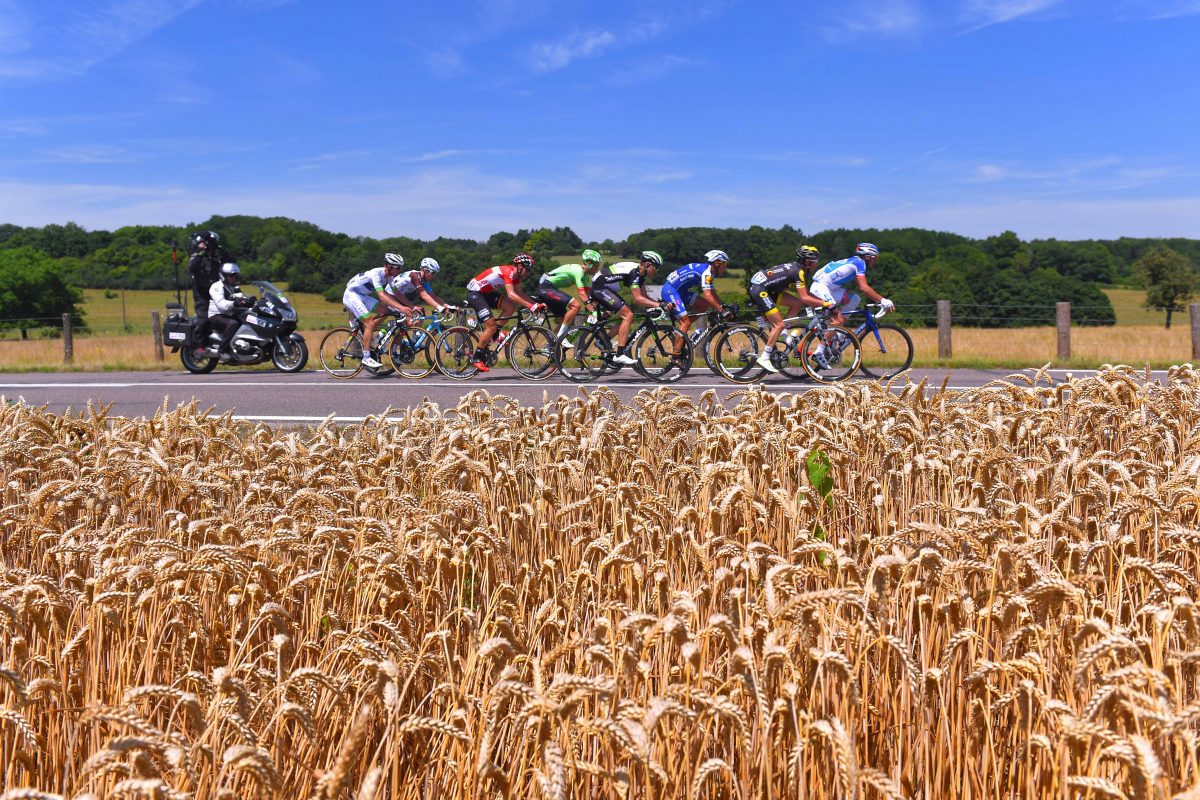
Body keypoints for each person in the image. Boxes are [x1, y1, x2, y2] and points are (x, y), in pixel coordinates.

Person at [749, 245, 831, 373]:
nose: (816, 265)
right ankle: (765, 357)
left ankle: (783, 333)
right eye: (814, 262)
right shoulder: (798, 272)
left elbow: (805, 296)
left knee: (796, 303)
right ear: (807, 262)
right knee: (778, 324)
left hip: (768, 289)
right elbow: (805, 297)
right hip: (760, 290)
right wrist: (826, 304)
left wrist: (823, 302)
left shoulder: (798, 269)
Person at [464, 252, 546, 372]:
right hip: (475, 294)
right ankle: (476, 358)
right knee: (491, 326)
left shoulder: (515, 276)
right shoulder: (508, 272)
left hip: (486, 293)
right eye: (527, 270)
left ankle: (495, 334)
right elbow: (512, 295)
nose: (527, 273)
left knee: (510, 307)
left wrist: (535, 305)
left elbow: (520, 294)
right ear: (519, 266)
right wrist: (531, 307)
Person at [587, 250, 664, 365]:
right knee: (628, 315)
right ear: (647, 264)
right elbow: (638, 298)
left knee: (626, 316)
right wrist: (658, 305)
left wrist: (659, 304)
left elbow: (644, 297)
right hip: (600, 288)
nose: (657, 271)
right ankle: (619, 354)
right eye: (656, 267)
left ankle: (604, 341)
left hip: (605, 289)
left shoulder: (641, 275)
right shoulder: (635, 272)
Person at [343, 253, 415, 370]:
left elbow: (397, 293)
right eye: (398, 268)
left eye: (400, 268)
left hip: (363, 296)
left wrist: (411, 306)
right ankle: (366, 357)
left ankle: (369, 335)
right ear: (389, 267)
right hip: (352, 295)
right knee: (370, 322)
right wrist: (401, 308)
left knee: (386, 311)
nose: (399, 271)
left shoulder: (390, 277)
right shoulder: (376, 274)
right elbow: (382, 296)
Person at [661, 249, 733, 356]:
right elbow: (708, 295)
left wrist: (721, 306)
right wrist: (722, 311)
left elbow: (713, 293)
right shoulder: (706, 272)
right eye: (724, 264)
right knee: (686, 323)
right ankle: (676, 357)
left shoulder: (709, 272)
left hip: (680, 291)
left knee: (703, 304)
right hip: (670, 290)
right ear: (717, 263)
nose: (725, 267)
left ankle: (682, 332)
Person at [809, 243, 895, 327]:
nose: (874, 261)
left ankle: (839, 335)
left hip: (830, 288)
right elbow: (863, 287)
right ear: (867, 257)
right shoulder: (860, 263)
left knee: (854, 299)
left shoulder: (855, 261)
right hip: (820, 287)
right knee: (837, 320)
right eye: (874, 258)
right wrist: (883, 300)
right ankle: (827, 339)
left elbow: (861, 285)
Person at [534, 249, 602, 345]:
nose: (598, 268)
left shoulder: (586, 277)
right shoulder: (578, 271)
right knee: (576, 306)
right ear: (589, 263)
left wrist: (596, 307)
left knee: (566, 319)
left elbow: (588, 296)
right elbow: (582, 295)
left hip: (550, 288)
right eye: (596, 265)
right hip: (546, 287)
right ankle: (560, 338)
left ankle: (550, 346)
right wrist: (592, 311)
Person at [207, 262, 253, 354]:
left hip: (229, 314)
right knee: (233, 324)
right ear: (223, 275)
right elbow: (221, 304)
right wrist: (235, 303)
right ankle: (223, 350)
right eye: (231, 275)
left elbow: (241, 297)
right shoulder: (217, 286)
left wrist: (250, 300)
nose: (234, 277)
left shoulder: (234, 287)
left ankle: (244, 349)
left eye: (235, 275)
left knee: (250, 320)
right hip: (216, 315)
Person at [188, 230, 224, 344]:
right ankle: (199, 345)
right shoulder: (197, 256)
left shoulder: (216, 256)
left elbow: (229, 263)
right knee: (204, 319)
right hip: (201, 292)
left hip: (216, 291)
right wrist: (201, 253)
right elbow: (191, 268)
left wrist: (221, 251)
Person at [386, 257, 453, 316]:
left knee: (420, 312)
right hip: (390, 296)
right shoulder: (415, 276)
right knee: (407, 321)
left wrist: (448, 306)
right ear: (424, 270)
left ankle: (415, 330)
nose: (434, 276)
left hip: (400, 297)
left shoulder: (424, 281)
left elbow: (433, 296)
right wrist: (439, 308)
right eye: (433, 273)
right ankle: (390, 329)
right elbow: (424, 295)